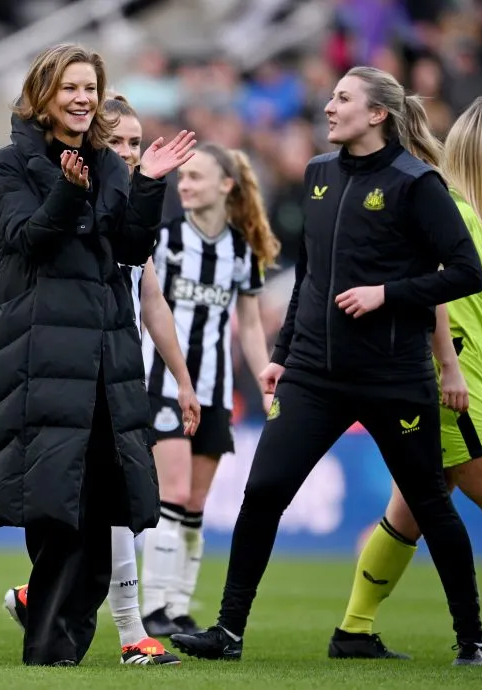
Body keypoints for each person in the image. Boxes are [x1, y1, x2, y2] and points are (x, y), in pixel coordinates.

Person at [169, 65, 482, 666]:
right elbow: (310, 282)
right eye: (332, 96)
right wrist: (282, 356)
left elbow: (465, 273)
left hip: (394, 377)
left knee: (429, 504)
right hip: (315, 375)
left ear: (377, 115)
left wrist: (387, 294)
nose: (329, 106)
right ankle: (228, 632)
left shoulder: (417, 182)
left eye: (343, 98)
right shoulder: (318, 176)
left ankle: (471, 638)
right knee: (263, 490)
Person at [0, 93, 199, 665]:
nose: (128, 152)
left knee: (114, 503)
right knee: (93, 505)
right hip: (69, 362)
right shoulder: (56, 179)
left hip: (117, 364)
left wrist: (182, 378)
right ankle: (130, 632)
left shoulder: (126, 199)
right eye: (119, 142)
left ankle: (45, 601)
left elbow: (150, 296)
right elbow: (14, 252)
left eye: (136, 143)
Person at [331, 97, 482, 663]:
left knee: (409, 513)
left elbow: (472, 301)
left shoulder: (471, 218)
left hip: (450, 382)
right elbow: (432, 296)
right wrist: (449, 370)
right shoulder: (448, 209)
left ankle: (353, 631)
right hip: (456, 387)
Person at [139, 143, 280, 637]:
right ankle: (153, 604)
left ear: (226, 185)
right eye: (183, 177)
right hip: (162, 383)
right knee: (173, 493)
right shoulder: (166, 238)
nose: (185, 184)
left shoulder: (242, 250)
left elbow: (250, 326)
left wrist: (266, 378)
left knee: (195, 506)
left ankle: (176, 606)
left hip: (216, 390)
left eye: (196, 176)